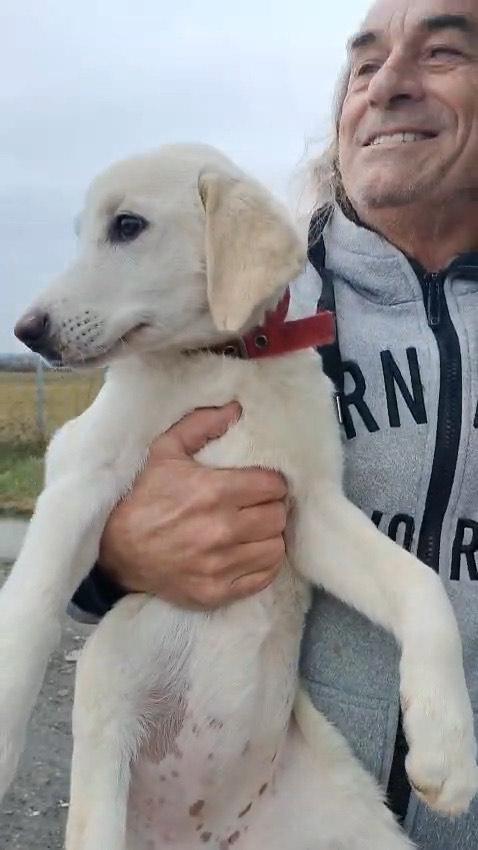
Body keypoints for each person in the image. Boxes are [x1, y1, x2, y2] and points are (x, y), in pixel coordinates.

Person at [71, 0, 478, 846]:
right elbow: (99, 480)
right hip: (281, 807)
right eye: (363, 66)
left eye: (441, 53)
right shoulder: (243, 299)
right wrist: (113, 555)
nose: (389, 85)